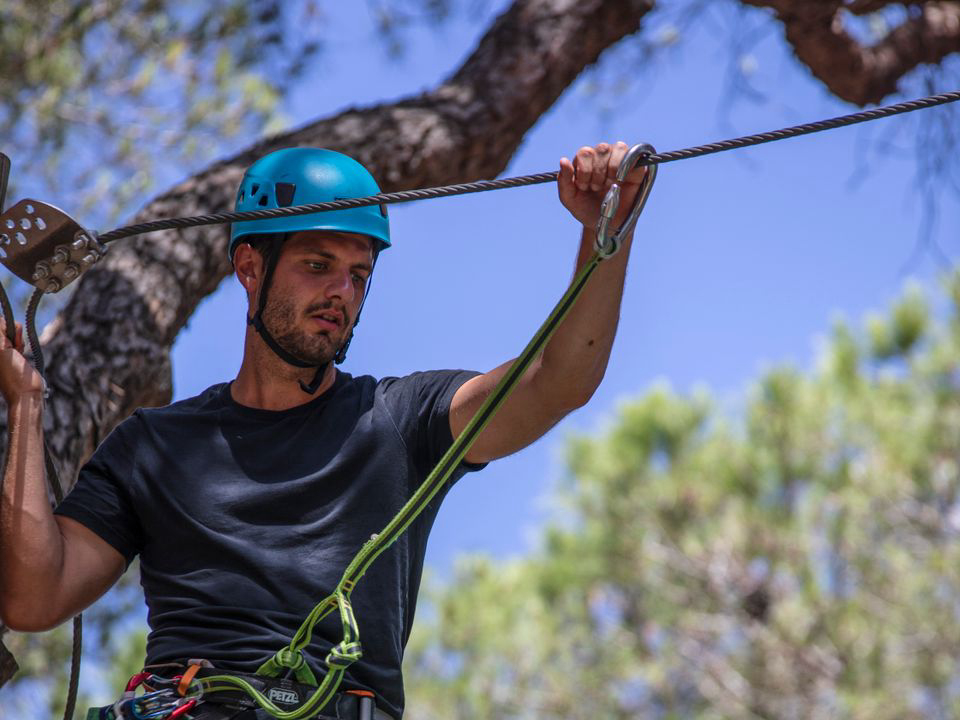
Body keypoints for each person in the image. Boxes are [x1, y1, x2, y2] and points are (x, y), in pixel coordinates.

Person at [0, 142, 648, 719]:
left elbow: (554, 383)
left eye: (359, 273)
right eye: (317, 264)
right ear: (250, 267)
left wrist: (604, 238)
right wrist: (26, 403)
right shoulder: (153, 446)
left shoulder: (401, 421)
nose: (342, 290)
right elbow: (34, 599)